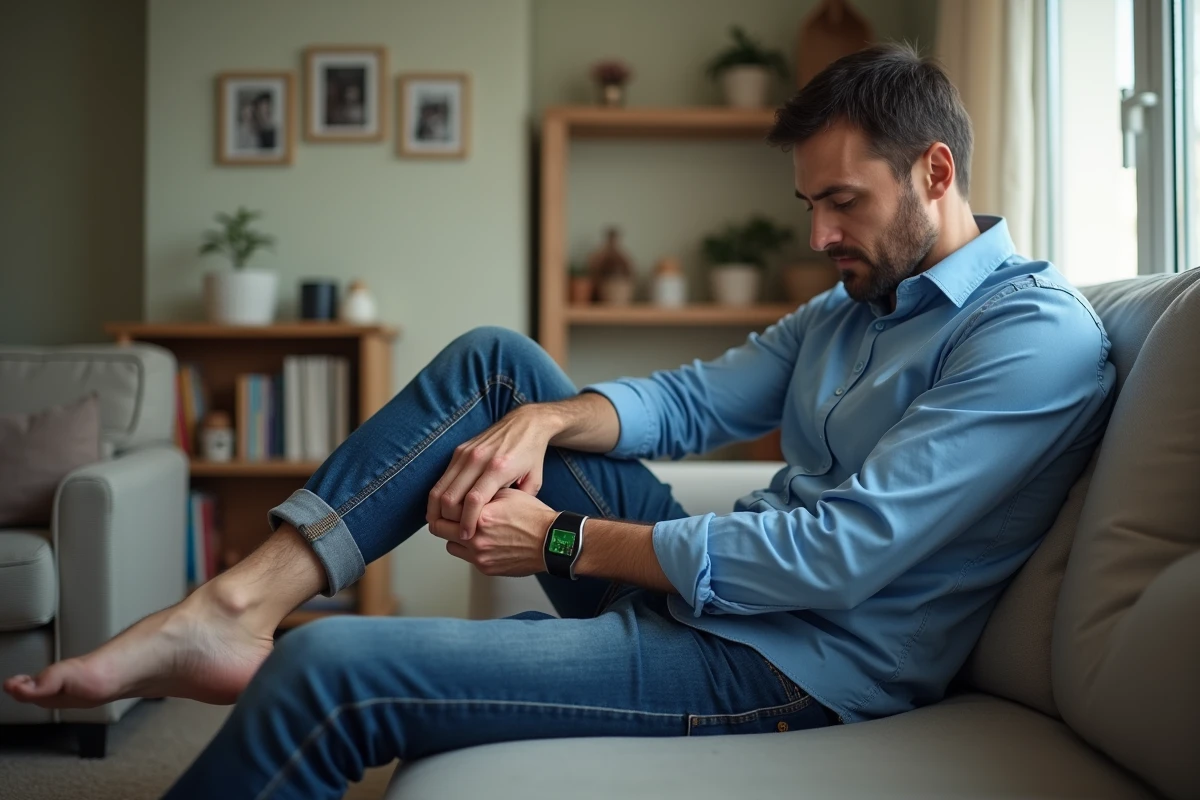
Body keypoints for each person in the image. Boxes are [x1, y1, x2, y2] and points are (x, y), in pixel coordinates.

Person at [4, 43, 1115, 799]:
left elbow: (839, 553)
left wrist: (566, 540)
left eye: (843, 203)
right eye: (809, 205)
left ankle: (264, 632)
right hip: (712, 601)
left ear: (936, 171)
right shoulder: (854, 301)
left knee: (328, 668)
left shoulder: (1031, 338)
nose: (820, 234)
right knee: (501, 368)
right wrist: (546, 420)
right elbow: (689, 399)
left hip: (795, 668)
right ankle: (233, 602)